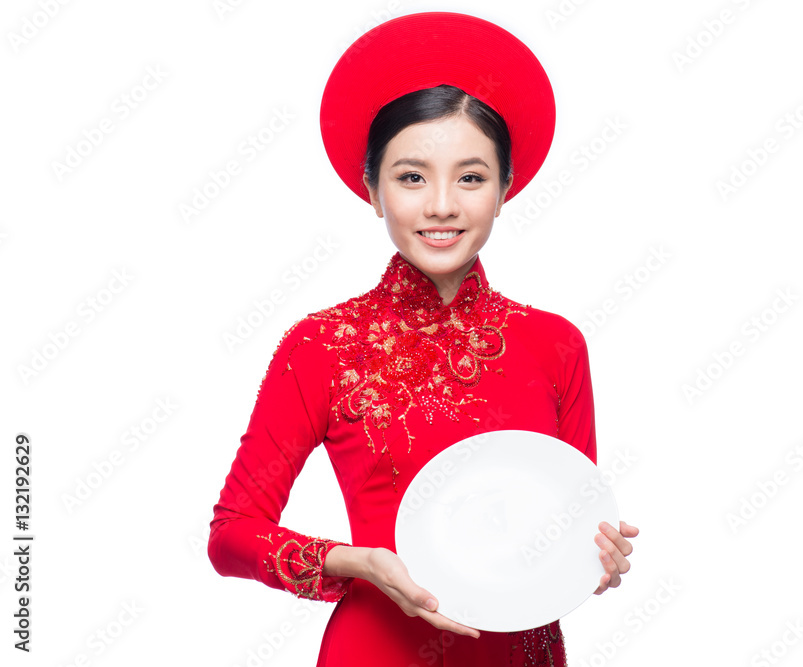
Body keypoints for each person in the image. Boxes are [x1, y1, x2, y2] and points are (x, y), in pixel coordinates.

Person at [208, 11, 638, 666]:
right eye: (412, 177)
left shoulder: (556, 345)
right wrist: (355, 562)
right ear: (372, 190)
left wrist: (599, 557)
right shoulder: (322, 345)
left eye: (471, 177)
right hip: (375, 649)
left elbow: (568, 522)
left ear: (505, 190)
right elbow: (232, 535)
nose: (441, 205)